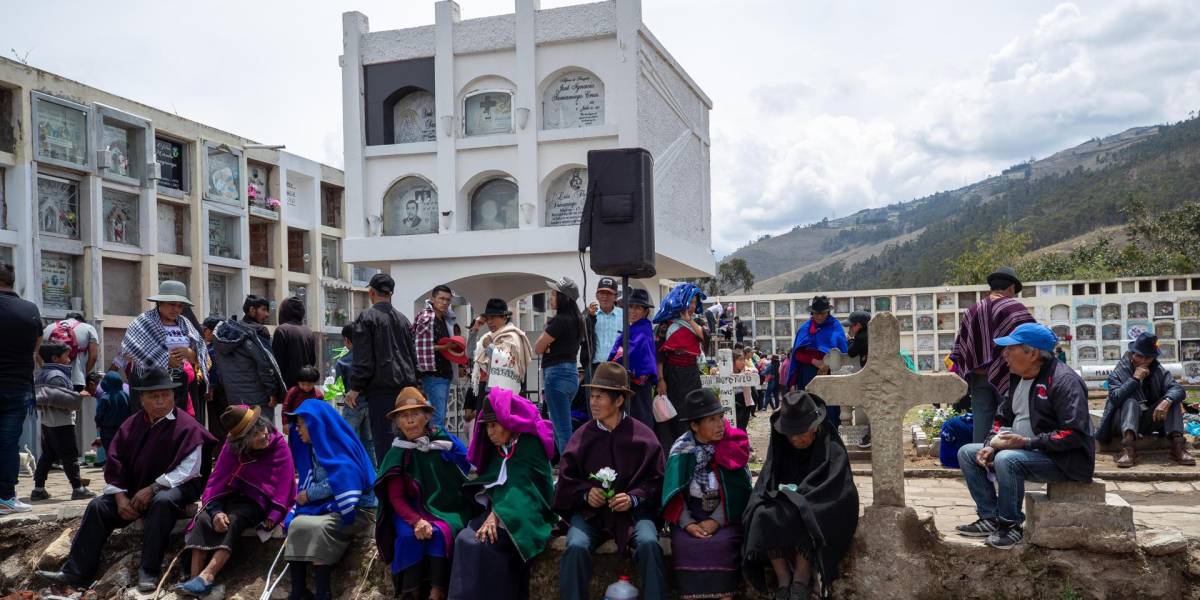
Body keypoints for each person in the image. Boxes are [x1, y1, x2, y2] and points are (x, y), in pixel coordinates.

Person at [36, 366, 217, 592]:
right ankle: (77, 572)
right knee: (97, 506)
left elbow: (188, 469)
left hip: (175, 488)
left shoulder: (188, 427)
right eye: (154, 396)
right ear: (142, 399)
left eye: (166, 395)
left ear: (173, 396)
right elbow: (115, 462)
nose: (161, 401)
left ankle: (148, 572)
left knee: (162, 502)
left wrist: (152, 489)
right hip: (134, 490)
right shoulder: (131, 424)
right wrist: (121, 498)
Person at [955, 323, 1095, 549]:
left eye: (1011, 348)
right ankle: (990, 517)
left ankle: (1010, 526)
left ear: (1033, 353)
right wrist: (991, 443)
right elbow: (1002, 418)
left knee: (1007, 459)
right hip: (1027, 451)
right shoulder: (1018, 378)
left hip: (1063, 459)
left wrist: (1028, 443)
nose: (1005, 354)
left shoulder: (1064, 381)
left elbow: (1074, 433)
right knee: (968, 453)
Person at [553, 362, 667, 600]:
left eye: (600, 397)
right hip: (590, 516)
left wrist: (634, 498)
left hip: (635, 516)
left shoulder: (643, 437)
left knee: (648, 544)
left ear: (618, 401)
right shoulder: (581, 437)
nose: (593, 402)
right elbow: (566, 481)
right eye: (592, 396)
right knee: (574, 546)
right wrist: (585, 494)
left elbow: (657, 481)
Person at [742, 391, 859, 600]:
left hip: (822, 499)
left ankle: (801, 577)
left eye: (802, 432)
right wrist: (781, 494)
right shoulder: (782, 443)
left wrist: (800, 497)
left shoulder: (830, 444)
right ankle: (783, 578)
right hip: (786, 498)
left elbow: (838, 487)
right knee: (760, 512)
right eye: (791, 434)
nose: (796, 439)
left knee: (807, 511)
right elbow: (768, 478)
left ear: (815, 426)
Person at [449, 388, 558, 599]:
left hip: (527, 511)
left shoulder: (530, 445)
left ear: (509, 422)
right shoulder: (498, 449)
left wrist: (496, 515)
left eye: (493, 425)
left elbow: (524, 486)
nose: (489, 433)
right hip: (499, 508)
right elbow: (493, 482)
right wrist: (493, 512)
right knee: (463, 539)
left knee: (487, 545)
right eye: (486, 426)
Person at [178, 406, 296, 596]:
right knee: (203, 519)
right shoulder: (232, 448)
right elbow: (218, 480)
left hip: (258, 502)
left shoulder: (278, 445)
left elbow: (285, 483)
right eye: (255, 434)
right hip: (229, 497)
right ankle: (193, 579)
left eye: (262, 429)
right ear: (243, 442)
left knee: (233, 520)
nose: (263, 435)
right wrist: (216, 511)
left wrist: (275, 514)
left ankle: (207, 576)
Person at [374, 388, 475, 600]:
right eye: (404, 416)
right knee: (409, 537)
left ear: (427, 417)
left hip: (445, 508)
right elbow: (396, 498)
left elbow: (468, 463)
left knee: (441, 532)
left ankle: (437, 592)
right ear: (397, 423)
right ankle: (410, 592)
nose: (410, 421)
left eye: (415, 414)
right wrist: (416, 520)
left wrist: (452, 457)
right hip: (409, 511)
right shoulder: (397, 453)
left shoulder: (443, 442)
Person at [661, 389, 752, 600]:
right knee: (685, 544)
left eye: (721, 417)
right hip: (691, 515)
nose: (720, 424)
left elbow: (738, 490)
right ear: (694, 425)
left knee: (724, 542)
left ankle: (725, 596)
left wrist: (716, 521)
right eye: (711, 420)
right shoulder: (682, 449)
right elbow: (674, 493)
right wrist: (688, 524)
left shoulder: (733, 444)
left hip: (726, 516)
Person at [285, 399, 378, 600]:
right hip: (329, 505)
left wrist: (309, 494)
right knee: (296, 524)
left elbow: (345, 478)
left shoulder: (337, 443)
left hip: (357, 508)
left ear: (314, 424)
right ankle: (299, 591)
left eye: (300, 425)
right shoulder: (315, 447)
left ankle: (322, 592)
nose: (297, 430)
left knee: (319, 528)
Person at [948, 267, 1036, 443]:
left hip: (979, 378)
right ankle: (1006, 463)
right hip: (1009, 376)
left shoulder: (972, 311)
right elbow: (1032, 337)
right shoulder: (1014, 308)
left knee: (981, 421)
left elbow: (962, 347)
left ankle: (978, 459)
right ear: (1011, 287)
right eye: (1014, 292)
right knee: (1011, 420)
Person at [345, 273, 420, 461]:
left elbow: (363, 358)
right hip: (406, 390)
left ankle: (389, 484)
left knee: (385, 443)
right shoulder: (403, 320)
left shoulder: (367, 318)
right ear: (391, 294)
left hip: (381, 390)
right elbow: (413, 356)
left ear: (371, 293)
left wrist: (355, 387)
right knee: (407, 438)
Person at [1097, 332, 1194, 467]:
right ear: (1132, 355)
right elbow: (1116, 398)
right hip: (1121, 422)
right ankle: (1128, 450)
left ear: (1153, 358)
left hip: (1147, 420)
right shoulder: (1118, 373)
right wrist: (1134, 379)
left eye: (1147, 358)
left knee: (1172, 400)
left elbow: (1178, 389)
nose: (1142, 361)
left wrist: (1167, 401)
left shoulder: (1157, 370)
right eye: (1138, 356)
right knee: (1130, 402)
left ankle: (1177, 446)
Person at [119, 280, 209, 413]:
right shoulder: (143, 322)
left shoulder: (184, 323)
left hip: (177, 384)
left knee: (174, 426)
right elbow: (129, 350)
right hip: (148, 383)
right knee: (148, 425)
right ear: (160, 303)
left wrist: (188, 353)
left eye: (180, 306)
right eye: (172, 304)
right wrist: (165, 360)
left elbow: (200, 354)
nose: (176, 309)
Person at [30, 342, 95, 502]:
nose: (68, 360)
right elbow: (61, 399)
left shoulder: (41, 374)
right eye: (66, 356)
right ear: (55, 358)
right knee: (69, 456)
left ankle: (38, 489)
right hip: (62, 422)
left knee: (47, 455)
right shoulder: (57, 376)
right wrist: (78, 396)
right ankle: (78, 488)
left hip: (47, 421)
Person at [0, 261, 41, 516]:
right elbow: (37, 346)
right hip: (17, 386)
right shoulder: (30, 309)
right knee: (8, 443)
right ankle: (5, 497)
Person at [653, 282, 708, 453]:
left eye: (694, 303)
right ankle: (670, 454)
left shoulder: (697, 322)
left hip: (691, 375)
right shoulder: (665, 325)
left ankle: (693, 451)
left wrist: (689, 320)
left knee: (691, 413)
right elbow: (659, 356)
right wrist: (661, 380)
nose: (691, 306)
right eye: (689, 302)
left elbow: (705, 337)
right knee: (670, 416)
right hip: (671, 376)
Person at [536, 278, 585, 453]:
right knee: (560, 427)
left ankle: (569, 472)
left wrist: (549, 348)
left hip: (556, 375)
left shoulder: (561, 320)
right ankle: (568, 469)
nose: (551, 298)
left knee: (562, 430)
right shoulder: (577, 320)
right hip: (571, 374)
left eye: (554, 294)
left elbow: (538, 347)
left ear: (564, 298)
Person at [212, 295, 286, 410]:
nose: (267, 314)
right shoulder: (259, 332)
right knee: (261, 427)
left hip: (234, 398)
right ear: (252, 310)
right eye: (263, 310)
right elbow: (265, 364)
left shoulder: (230, 332)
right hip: (258, 399)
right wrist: (272, 391)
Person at [786, 296, 848, 429]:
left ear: (828, 312)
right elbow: (798, 353)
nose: (819, 316)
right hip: (809, 374)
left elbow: (842, 351)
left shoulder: (835, 326)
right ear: (812, 313)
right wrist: (815, 362)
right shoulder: (804, 328)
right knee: (811, 407)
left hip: (831, 373)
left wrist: (828, 365)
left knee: (830, 407)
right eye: (816, 313)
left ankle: (831, 435)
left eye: (823, 313)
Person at [608, 288, 657, 430]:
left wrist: (615, 359)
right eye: (630, 306)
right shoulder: (632, 329)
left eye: (638, 308)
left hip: (639, 386)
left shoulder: (643, 330)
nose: (633, 311)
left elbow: (633, 354)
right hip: (629, 384)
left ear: (645, 311)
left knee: (639, 424)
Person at [469, 298, 534, 403]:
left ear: (504, 317)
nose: (489, 322)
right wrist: (475, 330)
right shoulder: (489, 336)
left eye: (493, 318)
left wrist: (489, 346)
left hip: (506, 392)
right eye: (487, 318)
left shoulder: (513, 336)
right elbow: (470, 354)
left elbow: (508, 360)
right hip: (488, 390)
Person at [413, 285, 456, 430]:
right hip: (432, 374)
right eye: (441, 299)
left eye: (448, 300)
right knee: (436, 419)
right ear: (432, 299)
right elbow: (419, 346)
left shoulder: (445, 318)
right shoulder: (426, 317)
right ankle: (436, 450)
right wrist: (444, 348)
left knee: (439, 417)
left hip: (444, 373)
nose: (444, 303)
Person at [336, 323, 376, 468]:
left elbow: (339, 388)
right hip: (370, 405)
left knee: (348, 440)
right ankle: (372, 473)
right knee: (369, 442)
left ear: (347, 340)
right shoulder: (372, 358)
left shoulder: (342, 361)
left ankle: (352, 471)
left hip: (352, 406)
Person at [43, 312, 99, 392]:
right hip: (76, 379)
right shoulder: (89, 328)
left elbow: (38, 352)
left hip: (49, 377)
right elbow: (94, 356)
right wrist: (84, 372)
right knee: (73, 404)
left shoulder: (49, 328)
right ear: (81, 321)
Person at [273, 296, 318, 391]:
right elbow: (312, 361)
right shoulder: (308, 331)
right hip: (305, 388)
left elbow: (276, 364)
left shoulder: (282, 330)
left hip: (287, 389)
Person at [587, 277, 624, 379]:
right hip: (595, 368)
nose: (605, 297)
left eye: (609, 293)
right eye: (602, 293)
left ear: (616, 296)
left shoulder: (624, 316)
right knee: (594, 395)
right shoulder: (590, 315)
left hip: (618, 368)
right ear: (597, 295)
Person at [94, 370, 132, 468]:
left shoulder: (105, 398)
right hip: (123, 428)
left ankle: (111, 466)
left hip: (107, 429)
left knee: (110, 448)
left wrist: (98, 424)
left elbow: (99, 414)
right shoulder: (125, 396)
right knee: (121, 448)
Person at [846, 310, 872, 448]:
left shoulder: (862, 336)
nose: (849, 329)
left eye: (851, 326)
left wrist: (850, 339)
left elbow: (851, 352)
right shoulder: (871, 334)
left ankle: (870, 436)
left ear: (859, 326)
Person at [201, 316, 227, 438]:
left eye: (204, 330)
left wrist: (210, 388)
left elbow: (215, 370)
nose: (203, 333)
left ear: (211, 331)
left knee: (216, 421)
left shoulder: (212, 349)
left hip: (217, 391)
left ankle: (218, 452)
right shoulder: (226, 346)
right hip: (228, 389)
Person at [730, 349, 759, 431]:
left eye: (743, 360)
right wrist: (713, 370)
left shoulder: (745, 370)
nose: (743, 362)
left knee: (742, 427)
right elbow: (716, 370)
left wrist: (749, 371)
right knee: (734, 426)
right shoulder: (726, 371)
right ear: (732, 361)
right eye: (740, 360)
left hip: (745, 402)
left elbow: (755, 370)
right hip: (732, 400)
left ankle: (743, 442)